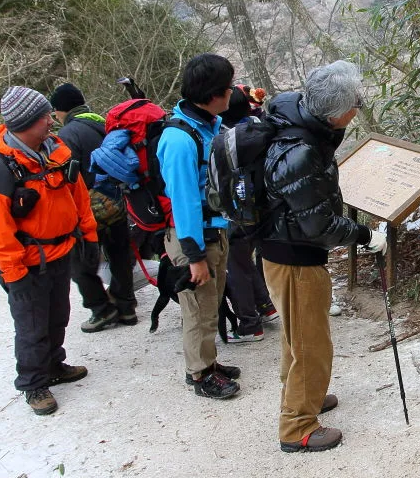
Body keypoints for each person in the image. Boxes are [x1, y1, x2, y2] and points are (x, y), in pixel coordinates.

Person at [259, 60, 387, 453]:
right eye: (356, 104)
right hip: (295, 258)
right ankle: (298, 426)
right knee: (312, 343)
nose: (359, 108)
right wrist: (366, 236)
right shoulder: (303, 150)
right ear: (335, 113)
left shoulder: (298, 124)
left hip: (280, 250)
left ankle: (305, 397)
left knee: (298, 336)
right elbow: (319, 225)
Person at [0, 86, 98, 415]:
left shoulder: (55, 150)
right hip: (26, 265)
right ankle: (32, 384)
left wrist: (89, 235)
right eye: (43, 116)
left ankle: (54, 366)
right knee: (31, 326)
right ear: (25, 122)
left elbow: (79, 195)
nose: (50, 120)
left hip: (60, 253)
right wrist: (14, 273)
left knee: (58, 316)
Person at [158, 53, 241, 399]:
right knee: (198, 309)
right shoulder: (179, 140)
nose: (232, 93)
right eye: (227, 88)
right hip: (193, 238)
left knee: (211, 302)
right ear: (210, 95)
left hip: (215, 231)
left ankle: (208, 361)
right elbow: (183, 202)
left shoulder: (209, 126)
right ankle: (199, 374)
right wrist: (193, 256)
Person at [49, 83, 137, 331]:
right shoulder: (103, 124)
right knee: (119, 253)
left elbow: (68, 177)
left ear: (61, 110)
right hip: (117, 201)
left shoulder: (67, 135)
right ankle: (126, 307)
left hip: (88, 206)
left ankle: (101, 309)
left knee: (78, 260)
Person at [219, 85, 277, 343]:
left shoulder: (224, 136)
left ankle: (249, 325)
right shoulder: (259, 127)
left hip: (236, 213)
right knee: (247, 260)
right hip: (261, 208)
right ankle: (266, 306)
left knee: (236, 266)